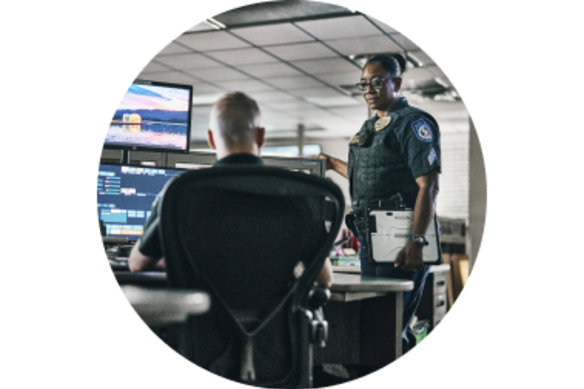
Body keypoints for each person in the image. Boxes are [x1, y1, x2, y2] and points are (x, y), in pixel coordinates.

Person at [316, 53, 441, 382]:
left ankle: (411, 378)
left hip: (402, 239)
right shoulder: (368, 128)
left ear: (396, 83)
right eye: (363, 84)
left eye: (376, 81)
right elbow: (365, 179)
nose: (368, 89)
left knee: (390, 327)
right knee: (372, 330)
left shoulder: (414, 123)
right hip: (372, 241)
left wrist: (417, 241)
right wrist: (332, 163)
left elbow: (428, 186)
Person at [128, 91, 333, 289]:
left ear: (211, 138)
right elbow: (324, 279)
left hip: (202, 322)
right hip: (276, 323)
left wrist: (180, 263)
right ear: (261, 136)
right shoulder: (295, 195)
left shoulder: (183, 192)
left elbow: (137, 264)